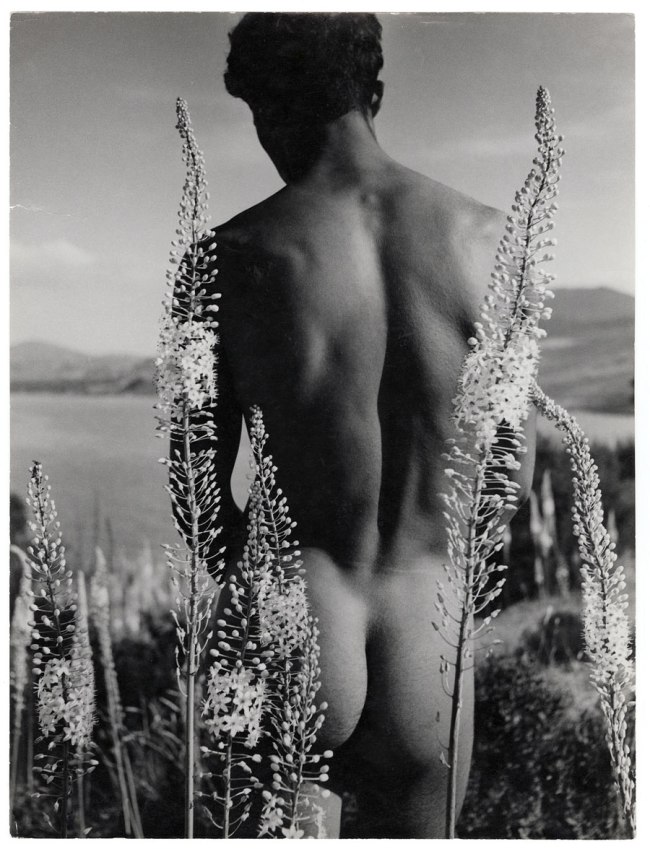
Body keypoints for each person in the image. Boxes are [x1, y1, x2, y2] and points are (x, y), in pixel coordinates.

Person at [193, 13, 535, 837]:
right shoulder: (496, 241)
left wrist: (250, 589)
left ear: (267, 108)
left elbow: (199, 492)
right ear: (373, 90)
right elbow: (506, 481)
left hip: (293, 615)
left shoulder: (225, 255)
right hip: (430, 634)